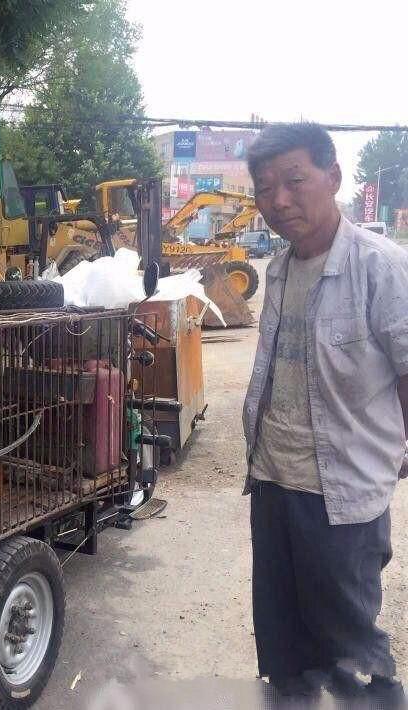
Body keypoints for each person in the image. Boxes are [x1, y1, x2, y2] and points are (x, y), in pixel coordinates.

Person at [243, 122, 408, 706]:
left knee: (352, 656)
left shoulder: (381, 267)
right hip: (272, 484)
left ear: (333, 177)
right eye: (265, 189)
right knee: (285, 650)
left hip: (341, 501)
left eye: (294, 181)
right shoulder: (279, 269)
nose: (279, 201)